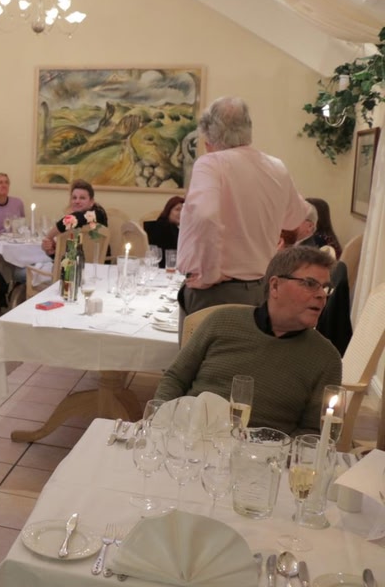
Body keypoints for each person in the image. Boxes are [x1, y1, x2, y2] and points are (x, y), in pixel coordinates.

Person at [154, 246, 341, 436]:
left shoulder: (325, 358)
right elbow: (175, 379)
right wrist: (159, 425)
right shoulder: (221, 321)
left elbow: (313, 431)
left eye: (325, 287)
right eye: (310, 284)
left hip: (266, 450)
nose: (322, 295)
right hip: (190, 437)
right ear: (275, 286)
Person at [177, 97, 310, 317]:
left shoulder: (211, 163)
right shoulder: (276, 167)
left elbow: (205, 216)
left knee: (202, 342)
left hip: (217, 292)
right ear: (248, 129)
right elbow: (296, 218)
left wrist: (210, 273)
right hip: (262, 289)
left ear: (209, 138)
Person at [41, 179, 108, 255]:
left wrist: (49, 237)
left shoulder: (98, 213)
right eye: (74, 198)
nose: (77, 201)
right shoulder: (75, 223)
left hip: (98, 262)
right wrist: (51, 249)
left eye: (82, 198)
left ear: (91, 202)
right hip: (75, 261)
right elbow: (65, 255)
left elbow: (75, 218)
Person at [143, 196, 184, 268]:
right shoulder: (163, 228)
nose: (181, 213)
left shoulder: (178, 228)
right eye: (177, 209)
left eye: (184, 210)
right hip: (164, 268)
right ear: (168, 211)